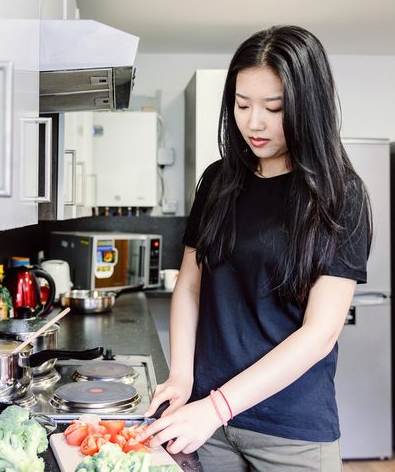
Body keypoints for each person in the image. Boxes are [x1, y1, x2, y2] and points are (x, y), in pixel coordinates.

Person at [139, 25, 372, 472]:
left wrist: (218, 407)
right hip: (204, 423)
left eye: (274, 107)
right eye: (242, 105)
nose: (254, 122)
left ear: (309, 107)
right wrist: (182, 376)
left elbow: (319, 333)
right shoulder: (218, 181)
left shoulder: (341, 196)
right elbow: (190, 284)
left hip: (292, 430)